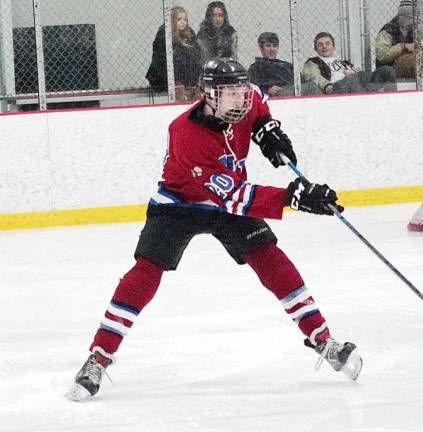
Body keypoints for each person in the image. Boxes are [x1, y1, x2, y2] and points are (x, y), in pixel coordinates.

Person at [65, 58, 363, 402]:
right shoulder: (184, 135)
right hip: (178, 204)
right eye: (230, 93)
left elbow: (259, 99)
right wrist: (293, 197)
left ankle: (323, 340)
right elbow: (235, 197)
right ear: (208, 95)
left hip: (228, 199)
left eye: (241, 91)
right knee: (146, 271)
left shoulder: (245, 97)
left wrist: (268, 129)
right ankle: (99, 356)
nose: (240, 99)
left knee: (270, 258)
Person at [375, 0, 423, 88]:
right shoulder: (388, 31)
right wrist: (403, 47)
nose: (412, 20)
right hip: (392, 66)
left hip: (411, 60)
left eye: (413, 18)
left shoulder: (414, 29)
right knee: (421, 56)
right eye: (409, 17)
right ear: (400, 17)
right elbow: (382, 55)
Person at [302, 32, 396, 95]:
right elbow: (315, 77)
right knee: (353, 78)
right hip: (337, 87)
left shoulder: (343, 62)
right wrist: (327, 86)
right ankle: (368, 97)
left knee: (387, 70)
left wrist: (354, 72)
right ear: (315, 49)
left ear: (333, 46)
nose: (324, 47)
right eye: (320, 45)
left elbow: (359, 72)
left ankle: (391, 99)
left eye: (327, 44)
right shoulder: (313, 62)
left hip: (356, 81)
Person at [145, 6, 202, 101]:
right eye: (179, 19)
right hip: (165, 75)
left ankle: (192, 87)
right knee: (180, 57)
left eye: (185, 19)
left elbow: (197, 54)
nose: (183, 22)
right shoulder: (164, 33)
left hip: (186, 75)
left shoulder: (190, 33)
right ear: (172, 20)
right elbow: (162, 59)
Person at [248, 32, 295, 96]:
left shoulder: (288, 66)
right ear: (261, 48)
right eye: (268, 46)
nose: (272, 49)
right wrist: (267, 90)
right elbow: (252, 88)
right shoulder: (255, 68)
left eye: (274, 46)